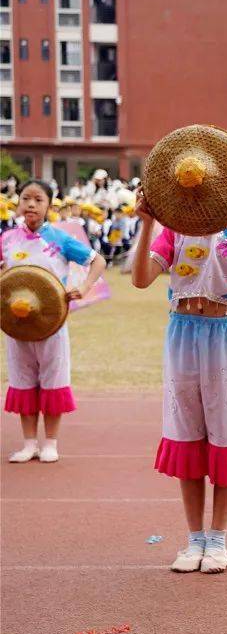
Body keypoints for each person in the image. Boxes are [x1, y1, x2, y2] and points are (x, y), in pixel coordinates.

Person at [130, 186, 227, 573]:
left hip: (224, 337)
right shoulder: (174, 230)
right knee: (186, 435)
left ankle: (218, 540)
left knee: (226, 435)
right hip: (182, 335)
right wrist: (146, 224)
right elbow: (141, 279)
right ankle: (194, 540)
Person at [3, 179, 106, 463]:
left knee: (52, 381)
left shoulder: (60, 239)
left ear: (49, 205)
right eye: (26, 198)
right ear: (18, 203)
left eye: (38, 199)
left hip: (51, 325)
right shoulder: (8, 239)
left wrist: (83, 288)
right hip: (16, 326)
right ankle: (27, 444)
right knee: (22, 381)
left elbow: (98, 261)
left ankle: (50, 443)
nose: (31, 204)